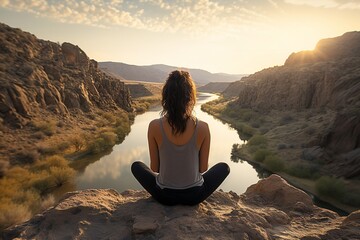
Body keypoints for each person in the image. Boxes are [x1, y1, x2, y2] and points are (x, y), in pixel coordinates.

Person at [131, 70, 230, 205]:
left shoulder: (154, 126)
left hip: (165, 197)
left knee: (137, 166)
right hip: (194, 196)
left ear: (165, 96)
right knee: (224, 168)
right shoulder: (203, 127)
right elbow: (202, 169)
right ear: (190, 97)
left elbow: (154, 168)